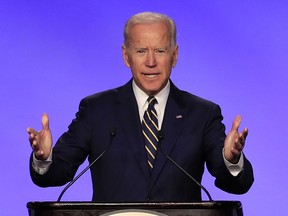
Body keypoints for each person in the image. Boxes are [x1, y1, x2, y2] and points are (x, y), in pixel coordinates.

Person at [28, 11, 254, 202]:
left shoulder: (203, 113)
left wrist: (232, 160)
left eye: (160, 51)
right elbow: (54, 174)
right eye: (141, 51)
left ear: (174, 56)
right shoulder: (96, 110)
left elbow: (236, 184)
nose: (151, 61)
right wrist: (43, 158)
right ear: (126, 57)